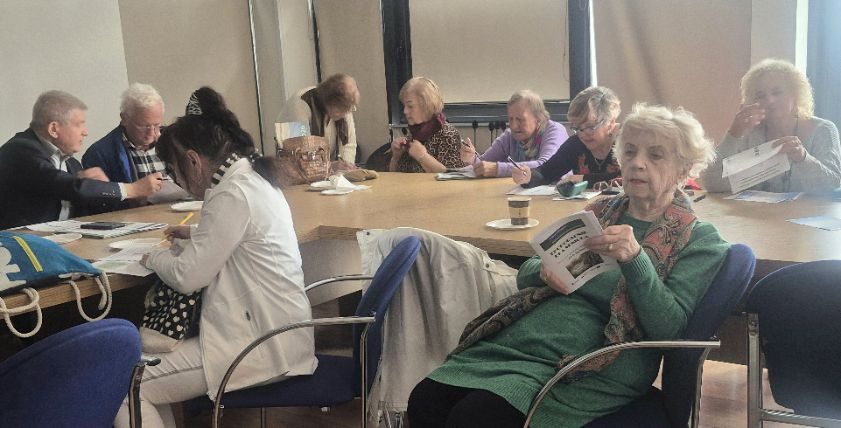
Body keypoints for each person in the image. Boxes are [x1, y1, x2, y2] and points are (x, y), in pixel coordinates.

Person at [407, 104, 730, 427]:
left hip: (594, 361)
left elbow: (671, 331)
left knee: (477, 416)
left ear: (684, 169)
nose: (637, 163)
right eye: (630, 152)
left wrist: (635, 260)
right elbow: (528, 272)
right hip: (525, 341)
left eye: (655, 155)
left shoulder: (699, 240)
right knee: (424, 400)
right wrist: (543, 272)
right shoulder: (600, 211)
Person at [113, 87, 317, 428]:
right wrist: (196, 233)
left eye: (174, 171)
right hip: (277, 331)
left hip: (262, 345)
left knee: (123, 387)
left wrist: (153, 258)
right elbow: (245, 235)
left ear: (193, 161)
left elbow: (187, 276)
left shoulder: (232, 192)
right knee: (139, 376)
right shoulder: (252, 177)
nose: (176, 180)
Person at [0, 90, 162, 230]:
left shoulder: (71, 163)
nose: (85, 132)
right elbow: (66, 185)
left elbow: (85, 207)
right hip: (21, 244)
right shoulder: (20, 151)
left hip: (65, 239)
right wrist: (132, 189)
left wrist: (103, 191)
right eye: (79, 124)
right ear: (54, 129)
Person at [701, 58, 841, 193]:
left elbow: (833, 183)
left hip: (809, 210)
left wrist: (804, 158)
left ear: (796, 94)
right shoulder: (750, 133)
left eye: (777, 92)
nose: (769, 100)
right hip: (755, 210)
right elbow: (713, 183)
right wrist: (734, 133)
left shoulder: (822, 130)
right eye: (760, 96)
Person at [83, 83, 183, 211]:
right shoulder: (100, 154)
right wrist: (132, 198)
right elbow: (98, 206)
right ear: (124, 119)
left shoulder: (174, 141)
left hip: (179, 213)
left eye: (156, 125)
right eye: (144, 126)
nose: (151, 133)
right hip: (135, 219)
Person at [513, 86, 622, 188]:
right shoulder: (575, 144)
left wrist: (584, 179)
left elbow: (625, 178)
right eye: (577, 127)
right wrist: (528, 176)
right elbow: (547, 172)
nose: (582, 134)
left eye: (590, 127)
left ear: (610, 123)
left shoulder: (625, 141)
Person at [460, 90, 568, 177]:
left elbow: (546, 165)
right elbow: (484, 164)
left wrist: (498, 169)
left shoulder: (555, 131)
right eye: (511, 119)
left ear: (538, 119)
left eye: (520, 119)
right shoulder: (509, 136)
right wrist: (472, 159)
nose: (514, 126)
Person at [277, 73, 359, 164]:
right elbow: (300, 156)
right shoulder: (298, 108)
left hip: (326, 169)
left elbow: (349, 145)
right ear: (330, 100)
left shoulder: (343, 107)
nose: (345, 114)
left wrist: (345, 166)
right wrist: (332, 167)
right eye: (342, 109)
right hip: (292, 167)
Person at [389, 76, 465, 173]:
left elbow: (452, 176)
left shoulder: (448, 134)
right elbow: (394, 176)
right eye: (404, 106)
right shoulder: (413, 133)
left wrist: (423, 157)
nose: (405, 111)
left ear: (426, 105)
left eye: (410, 106)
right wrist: (396, 157)